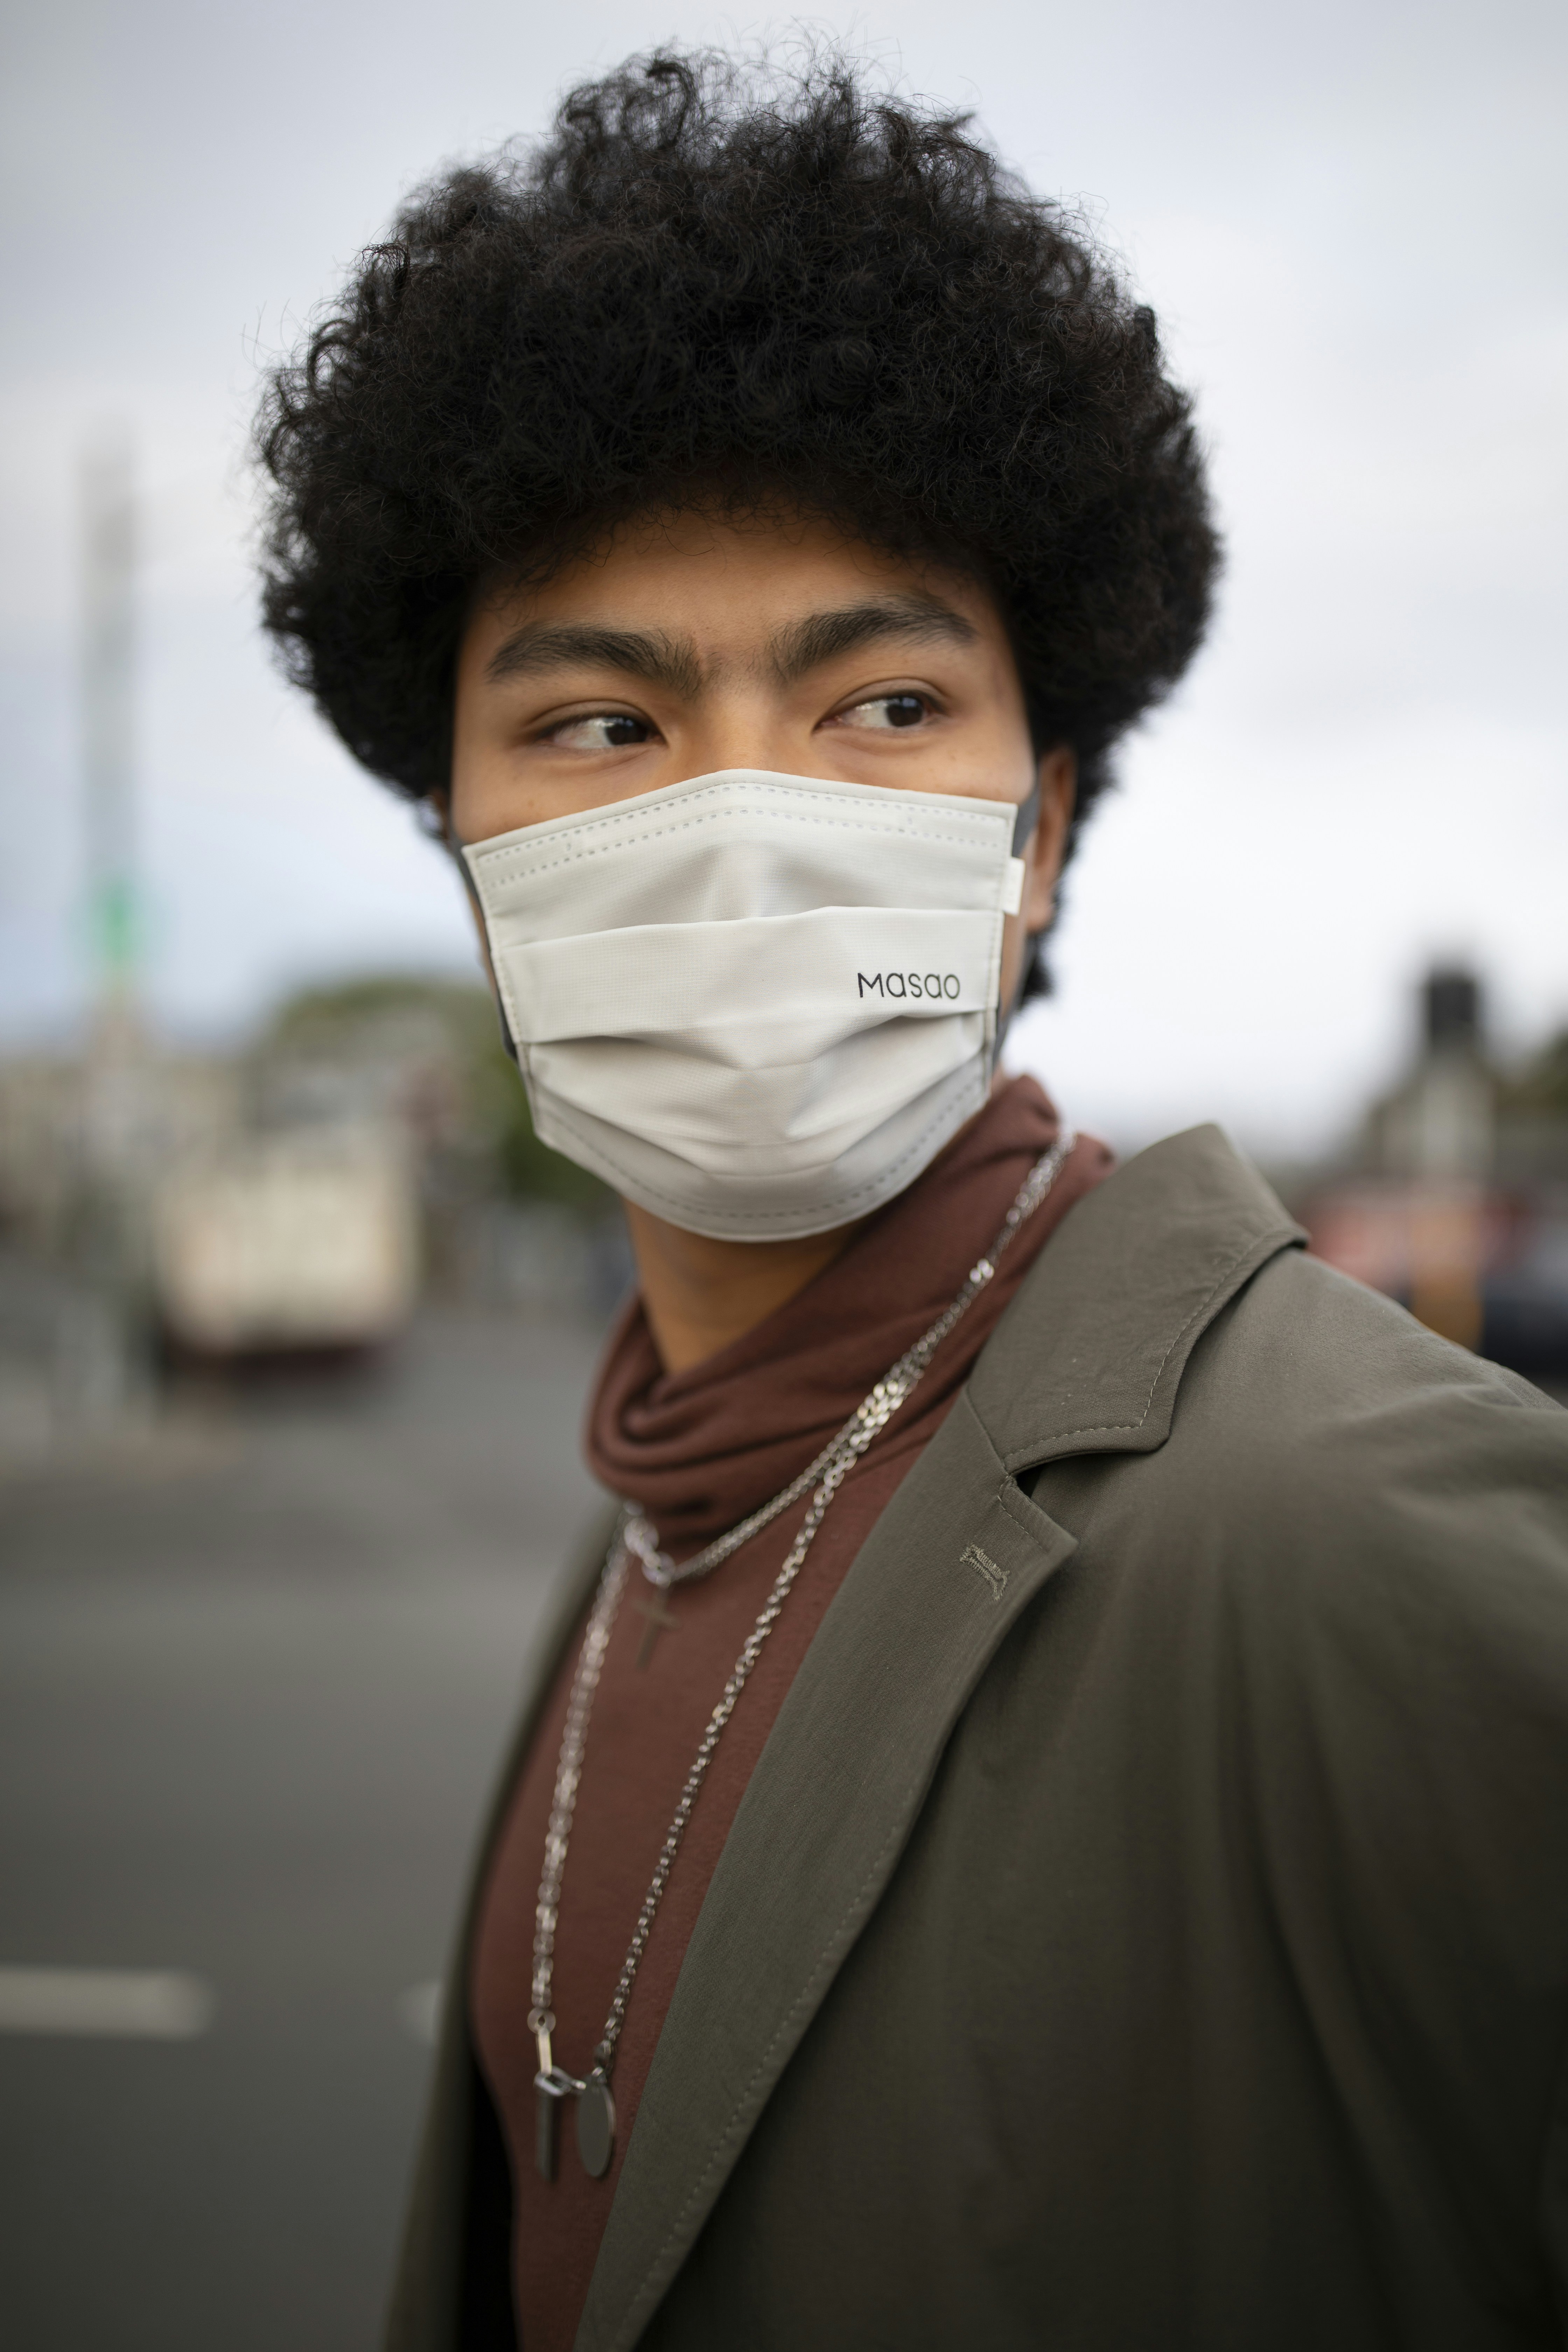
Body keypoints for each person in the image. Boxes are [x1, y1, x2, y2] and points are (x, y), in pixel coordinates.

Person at [256, 50, 1568, 2352]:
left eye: (876, 706)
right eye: (600, 725)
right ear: (465, 853)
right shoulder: (675, 1507)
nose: (743, 828)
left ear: (1035, 832)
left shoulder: (1358, 1523)